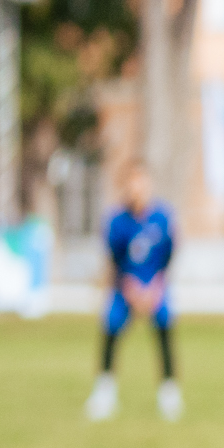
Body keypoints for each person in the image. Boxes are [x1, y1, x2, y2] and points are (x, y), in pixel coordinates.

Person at [87, 160, 180, 422]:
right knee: (111, 325)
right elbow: (114, 259)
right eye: (131, 182)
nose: (136, 188)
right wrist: (130, 289)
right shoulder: (117, 220)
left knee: (164, 324)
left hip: (154, 286)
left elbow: (168, 256)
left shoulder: (162, 217)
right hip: (126, 286)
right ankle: (104, 392)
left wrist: (155, 287)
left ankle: (169, 392)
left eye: (140, 181)